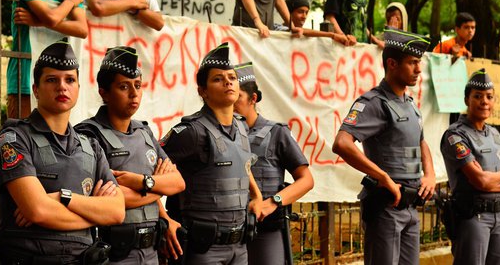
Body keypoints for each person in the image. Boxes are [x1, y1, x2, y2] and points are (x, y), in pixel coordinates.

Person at [0, 38, 125, 264]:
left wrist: (63, 197)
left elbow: (117, 211)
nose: (62, 86)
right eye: (52, 80)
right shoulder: (13, 139)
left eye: (70, 80)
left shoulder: (91, 146)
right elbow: (38, 210)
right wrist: (94, 214)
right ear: (36, 90)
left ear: (78, 88)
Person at [332, 27, 436, 265]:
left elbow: (421, 141)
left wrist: (429, 175)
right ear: (392, 63)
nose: (419, 69)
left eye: (419, 62)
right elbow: (341, 143)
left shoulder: (410, 104)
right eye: (412, 62)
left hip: (410, 207)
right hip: (386, 206)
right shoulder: (374, 103)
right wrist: (383, 177)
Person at [75, 46, 185, 264]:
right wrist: (156, 188)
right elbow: (101, 200)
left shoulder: (144, 132)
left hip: (152, 251)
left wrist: (141, 182)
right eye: (124, 86)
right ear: (103, 91)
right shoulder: (88, 135)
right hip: (113, 252)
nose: (134, 94)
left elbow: (178, 182)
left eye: (137, 85)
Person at [160, 43, 263, 264]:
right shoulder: (191, 132)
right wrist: (164, 218)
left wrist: (257, 196)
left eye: (232, 78)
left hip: (239, 245)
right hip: (203, 248)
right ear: (202, 91)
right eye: (218, 79)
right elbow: (146, 170)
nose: (228, 82)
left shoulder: (242, 127)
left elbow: (244, 166)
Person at [233, 62, 314, 265]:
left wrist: (273, 202)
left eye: (238, 97)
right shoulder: (218, 134)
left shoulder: (276, 132)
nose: (231, 102)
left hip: (265, 229)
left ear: (253, 99)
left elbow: (306, 180)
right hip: (229, 231)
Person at [440, 69, 500, 265]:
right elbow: (480, 180)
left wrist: (492, 180)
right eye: (478, 96)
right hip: (473, 217)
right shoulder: (456, 136)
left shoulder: (494, 134)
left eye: (489, 97)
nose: (484, 101)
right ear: (467, 99)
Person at [7, 0, 88, 119]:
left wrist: (37, 21)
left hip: (58, 81)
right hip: (24, 78)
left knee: (55, 139)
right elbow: (52, 18)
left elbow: (82, 30)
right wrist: (69, 2)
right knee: (22, 139)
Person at [285, 0, 349, 46]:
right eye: (300, 12)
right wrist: (332, 35)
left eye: (306, 13)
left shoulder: (309, 36)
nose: (304, 17)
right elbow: (298, 30)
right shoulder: (277, 30)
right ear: (288, 12)